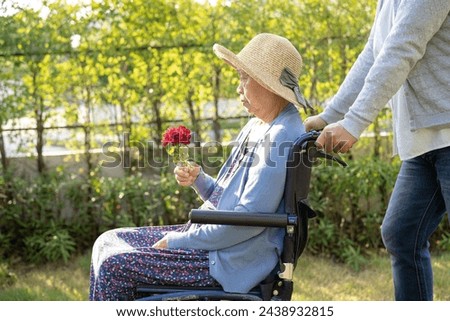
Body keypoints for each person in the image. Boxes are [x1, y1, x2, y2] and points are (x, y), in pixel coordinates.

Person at [89, 33, 310, 300]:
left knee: (115, 266)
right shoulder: (258, 125)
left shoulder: (281, 135)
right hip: (216, 242)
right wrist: (200, 180)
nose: (238, 88)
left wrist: (179, 241)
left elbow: (248, 222)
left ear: (269, 84)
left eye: (244, 77)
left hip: (227, 261)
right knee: (107, 242)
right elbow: (229, 201)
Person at [305, 0, 450, 301]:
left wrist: (354, 122)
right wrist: (329, 115)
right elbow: (374, 55)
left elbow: (401, 49)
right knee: (402, 234)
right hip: (423, 143)